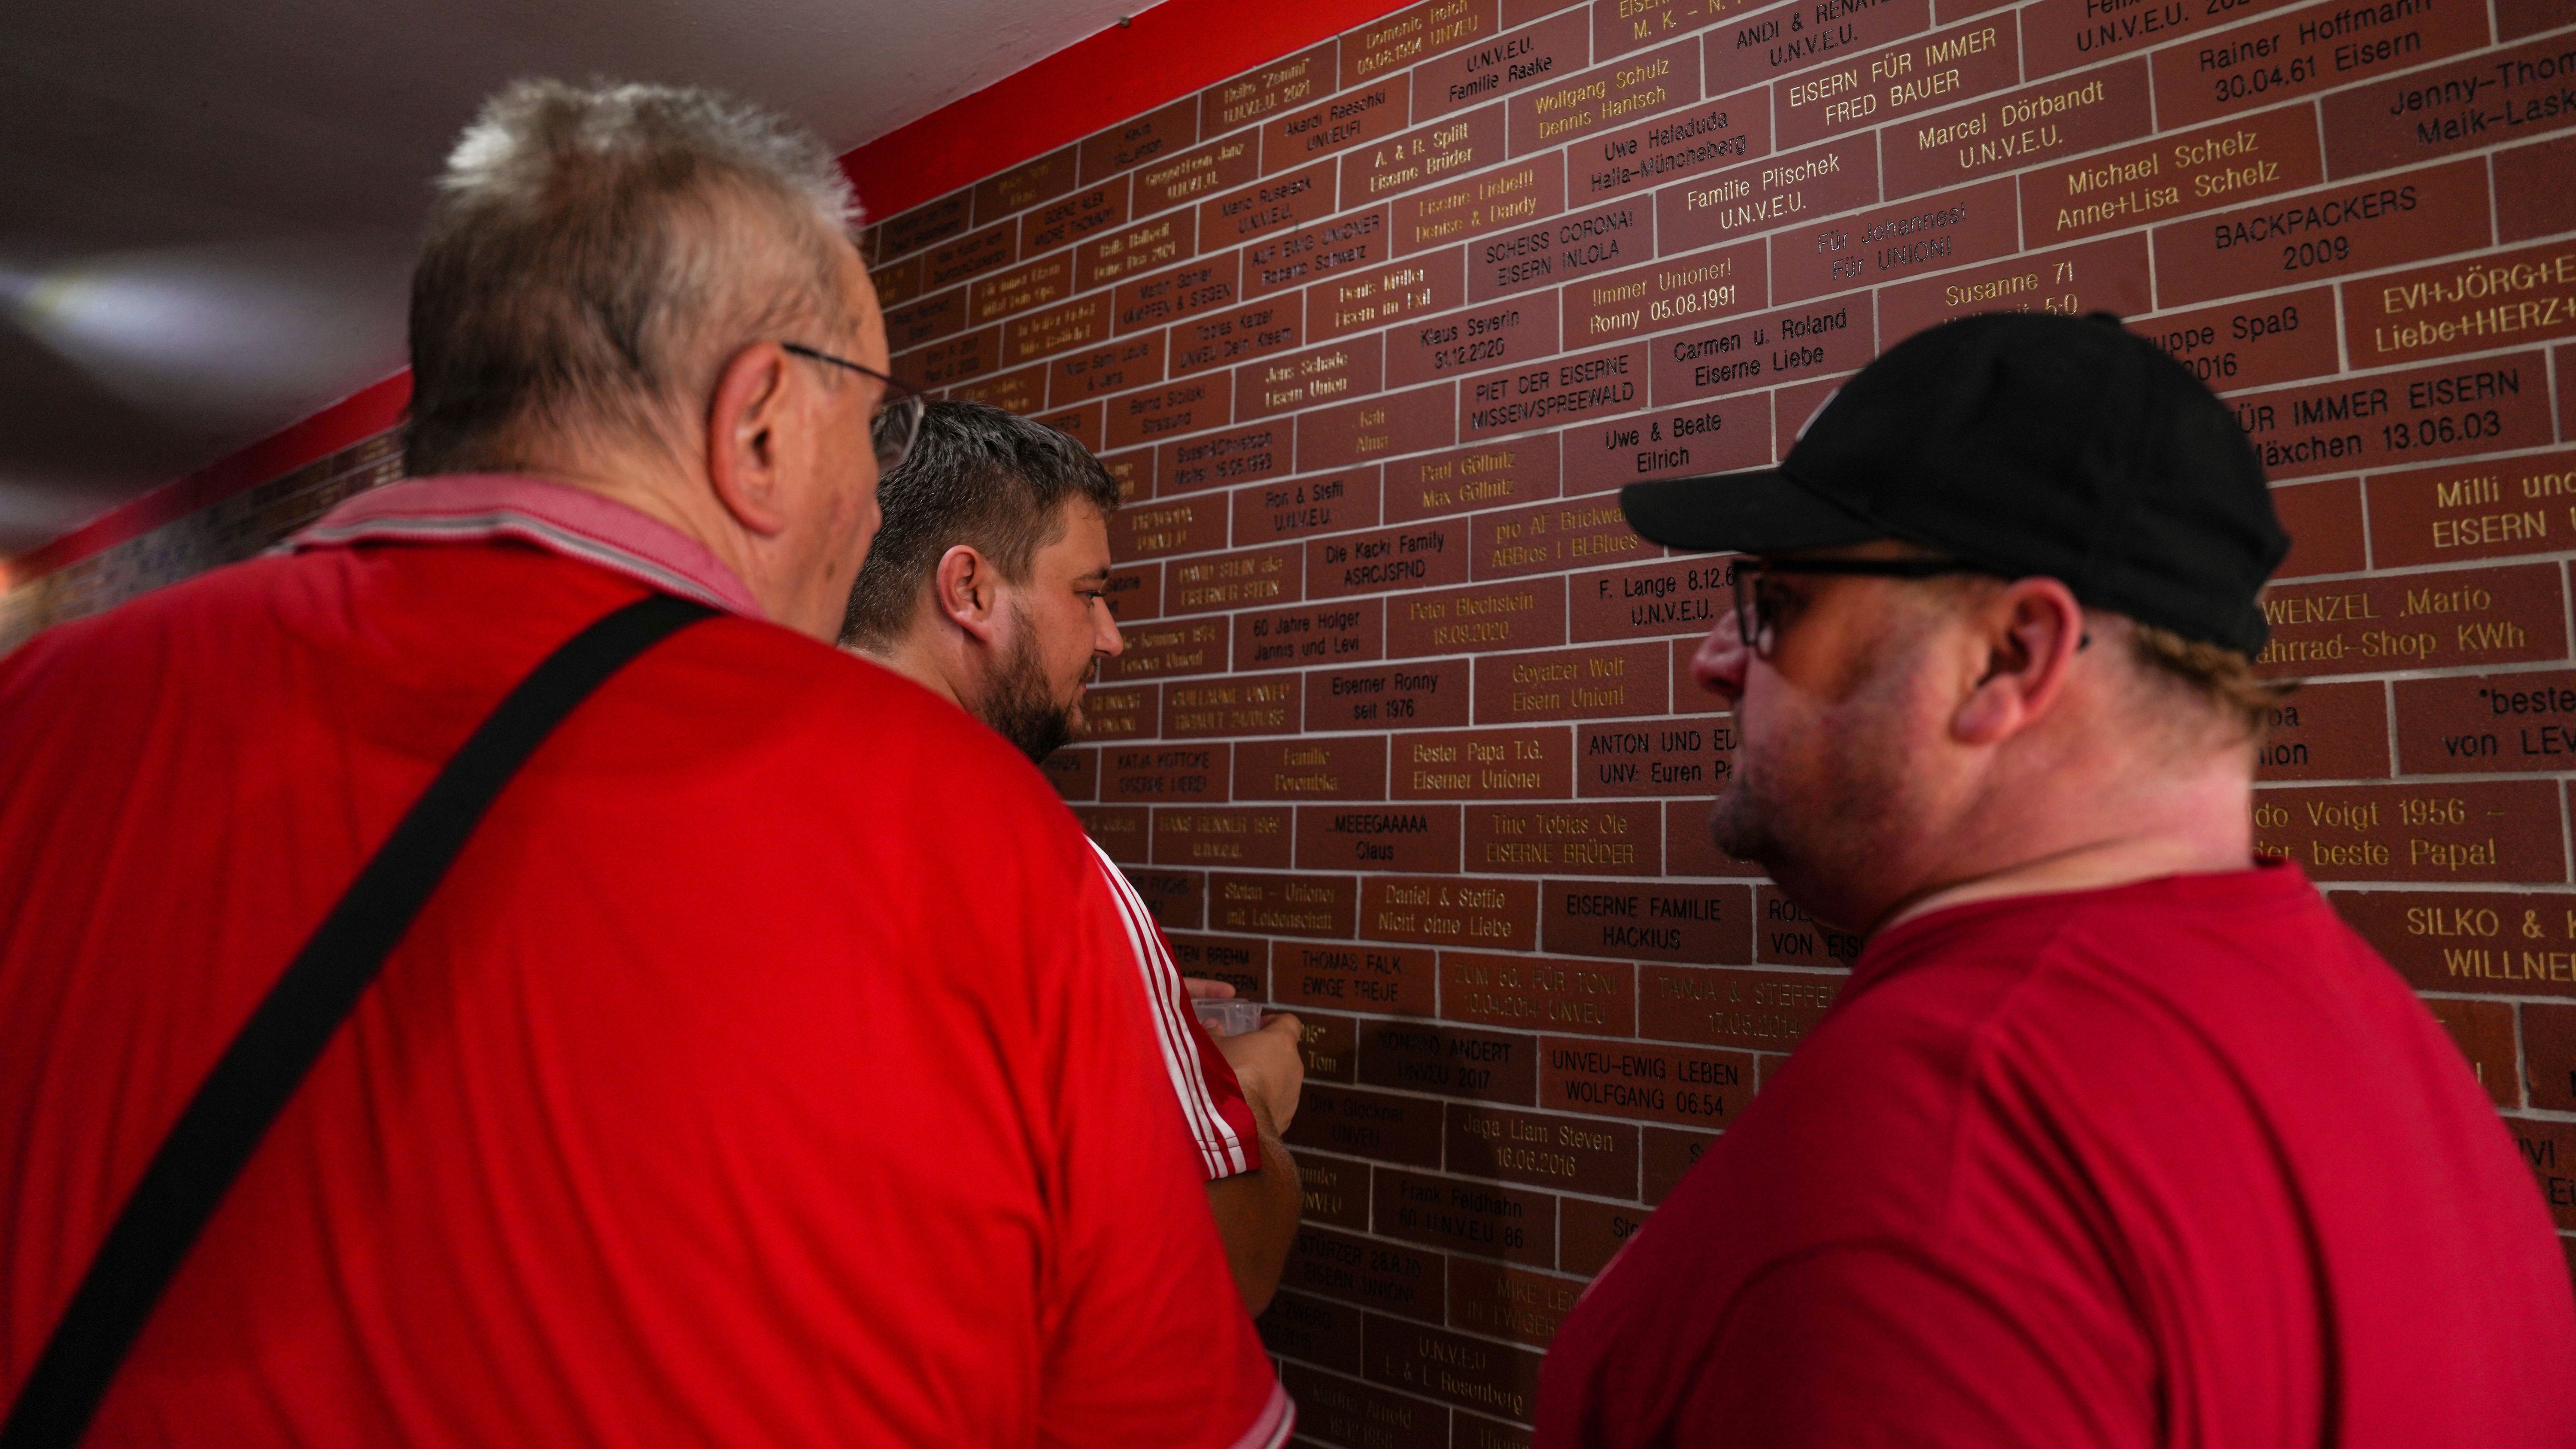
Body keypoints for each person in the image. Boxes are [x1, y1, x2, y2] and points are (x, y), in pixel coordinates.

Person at [0, 80, 1290, 1448]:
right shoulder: (955, 820)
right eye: (873, 421)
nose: (871, 497)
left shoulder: (37, 710)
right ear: (758, 429)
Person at [1537, 313, 2576, 1446]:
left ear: (2009, 657)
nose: (1715, 660)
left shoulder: (1935, 1160)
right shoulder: (2399, 1057)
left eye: (1778, 605)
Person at [840, 399, 1306, 1312]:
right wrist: (1246, 1094)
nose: (1111, 637)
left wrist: (1129, 1022)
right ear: (968, 589)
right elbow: (1224, 1261)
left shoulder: (724, 800)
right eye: (1088, 593)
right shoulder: (1049, 869)